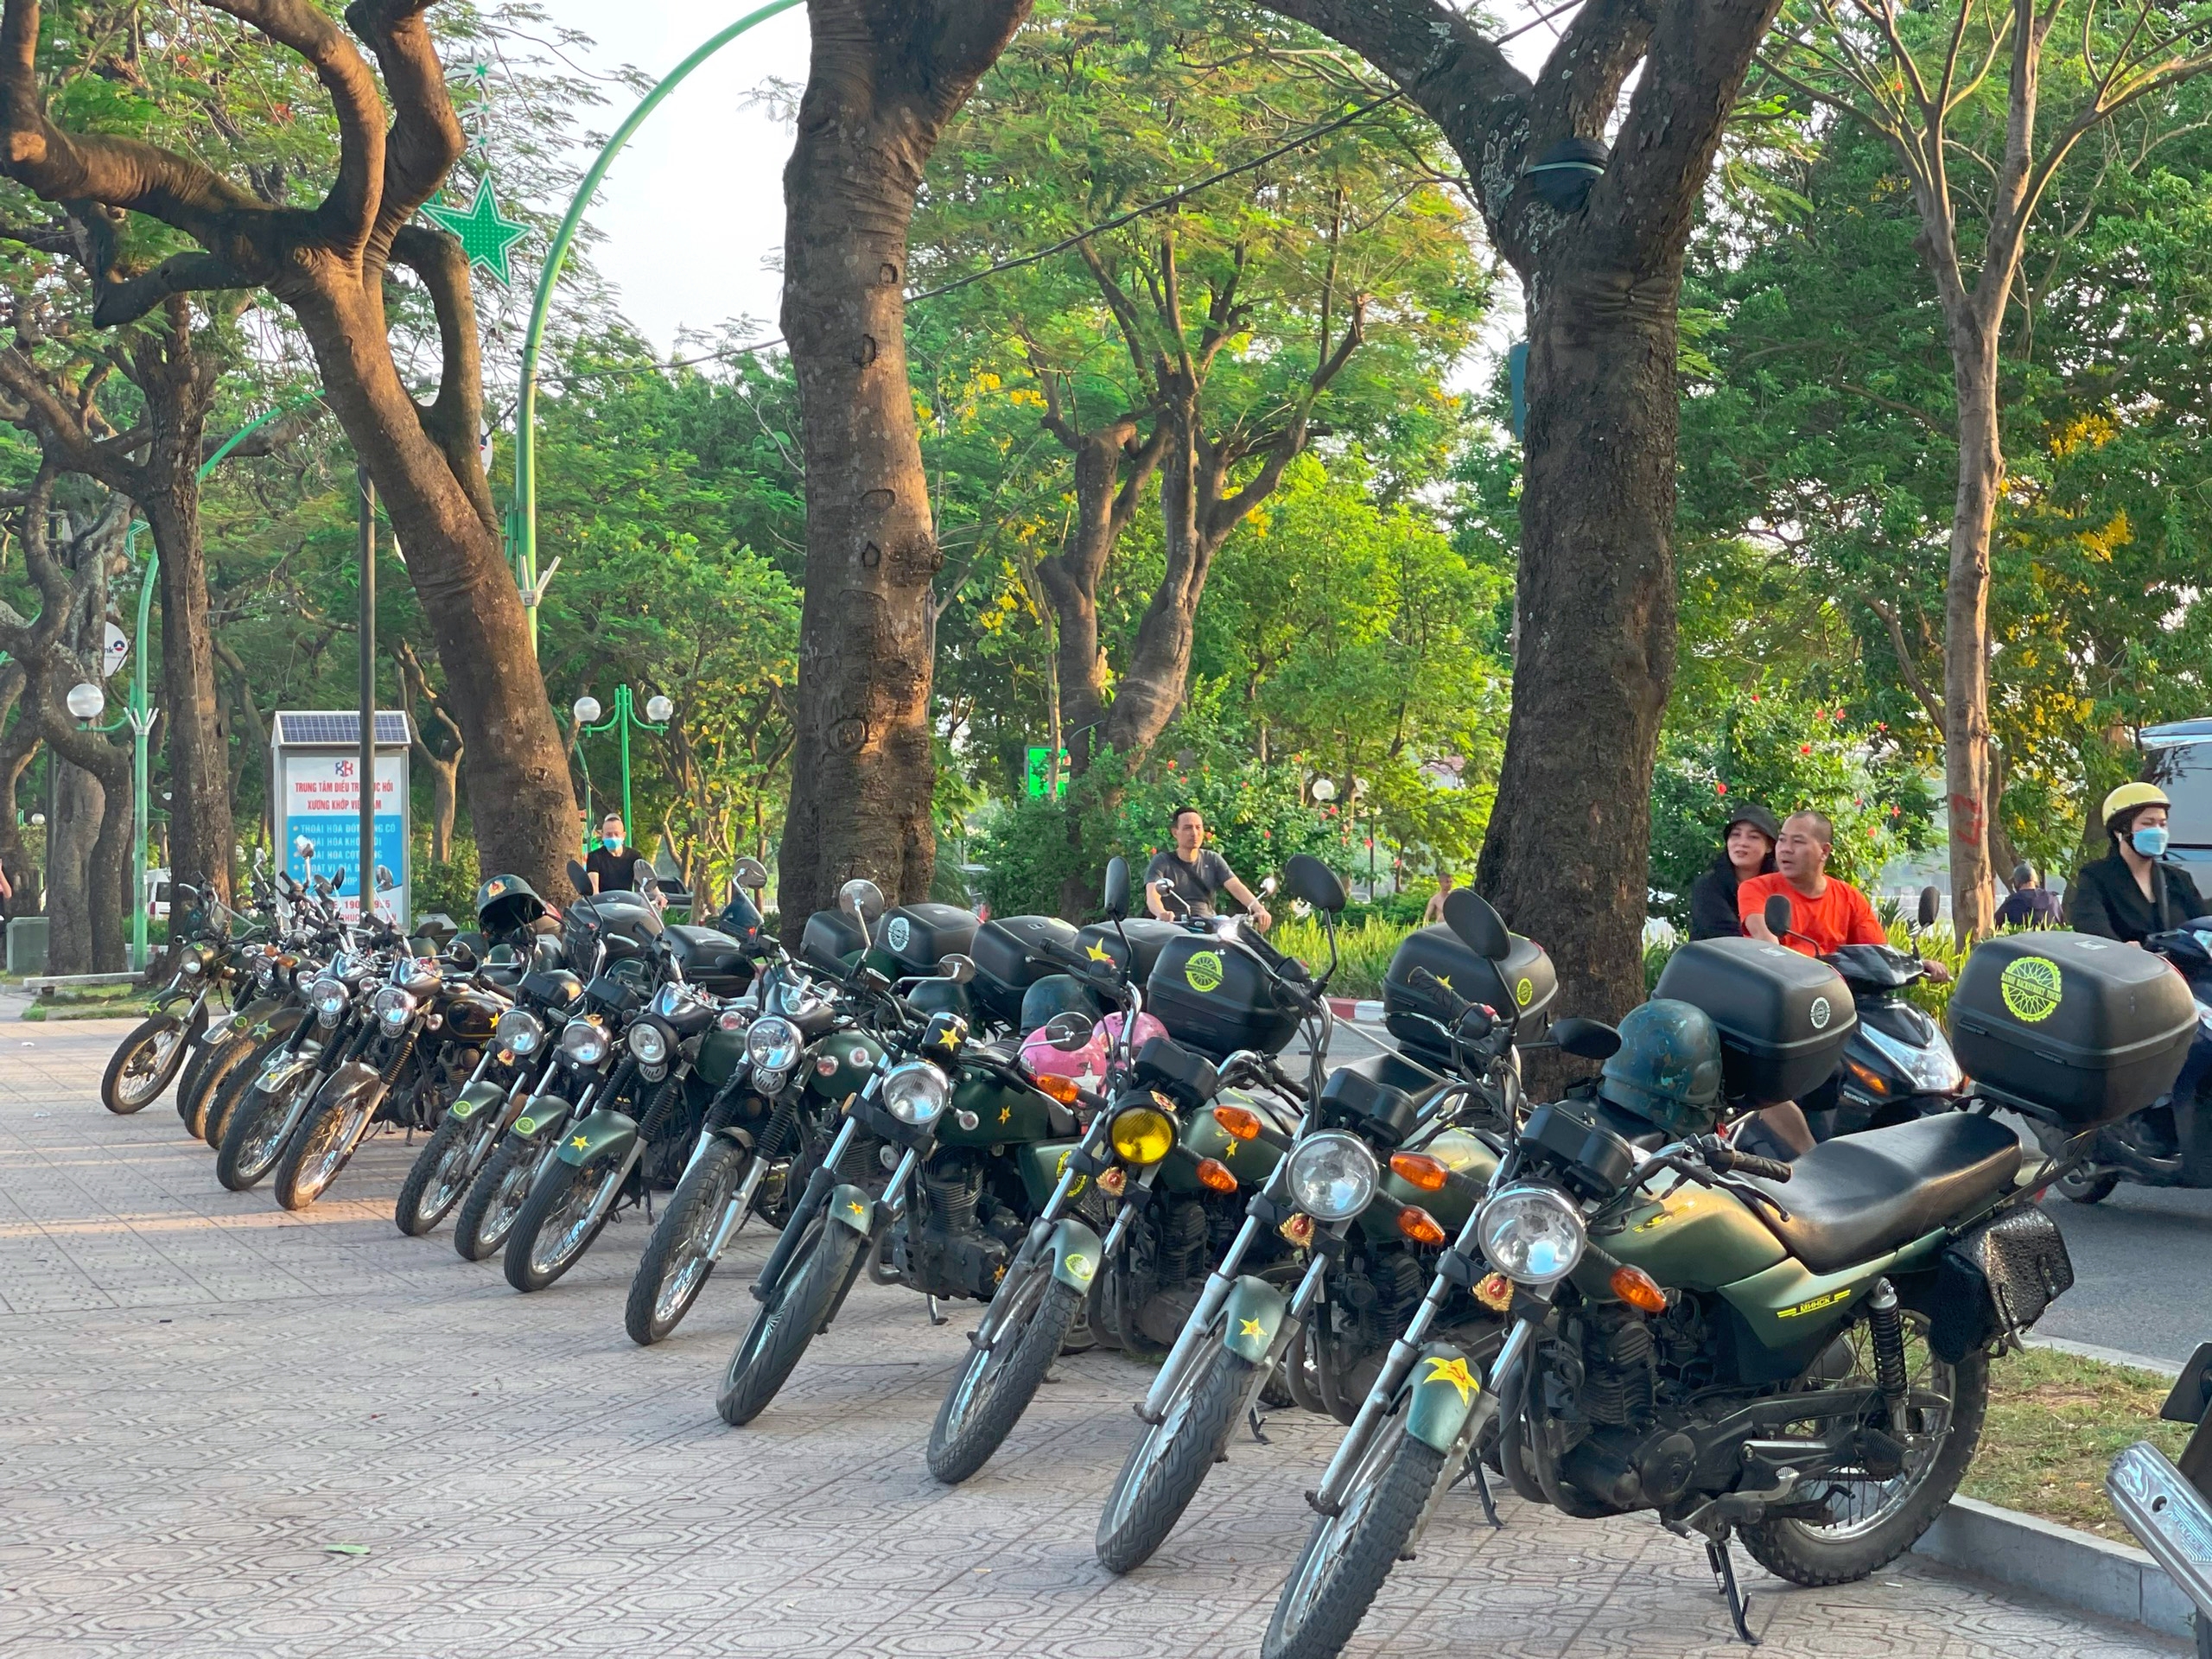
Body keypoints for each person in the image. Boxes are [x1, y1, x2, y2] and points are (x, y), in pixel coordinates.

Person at [1736, 810, 1943, 1156]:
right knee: (1774, 1077)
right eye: (1782, 840)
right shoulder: (1758, 889)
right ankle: (1808, 1159)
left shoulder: (1848, 897)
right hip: (1783, 1007)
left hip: (1841, 1005)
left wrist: (1918, 964)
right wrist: (1783, 952)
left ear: (1824, 851)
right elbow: (1765, 936)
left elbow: (1875, 951)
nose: (1784, 849)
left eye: (1797, 842)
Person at [2069, 783, 2206, 944]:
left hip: (2180, 968)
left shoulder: (2180, 879)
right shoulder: (2095, 877)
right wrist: (2123, 951)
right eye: (2147, 823)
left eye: (2162, 824)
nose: (2158, 831)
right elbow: (2091, 927)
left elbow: (2204, 928)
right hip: (2126, 967)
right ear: (2120, 830)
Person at [1144, 805, 1272, 928]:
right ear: (1175, 832)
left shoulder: (1213, 859)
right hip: (1176, 926)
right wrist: (1162, 913)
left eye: (1198, 827)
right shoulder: (1162, 861)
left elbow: (1236, 886)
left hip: (1210, 925)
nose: (1194, 833)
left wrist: (1259, 909)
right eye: (1188, 828)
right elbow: (1152, 895)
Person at [1688, 803, 1779, 940]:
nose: (1742, 843)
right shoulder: (1708, 886)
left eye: (1753, 837)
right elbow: (1727, 938)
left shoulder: (1780, 886)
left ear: (1769, 846)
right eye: (1735, 835)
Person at [583, 813, 640, 896]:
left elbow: (646, 879)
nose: (613, 837)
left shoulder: (634, 856)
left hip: (627, 904)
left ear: (623, 836)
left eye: (616, 834)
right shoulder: (594, 857)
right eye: (608, 834)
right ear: (602, 836)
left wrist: (658, 895)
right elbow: (594, 888)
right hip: (603, 905)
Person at [1995, 862, 2063, 929]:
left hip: (2022, 939)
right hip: (2051, 939)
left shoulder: (2012, 901)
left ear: (2017, 882)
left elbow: (1995, 924)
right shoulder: (2053, 899)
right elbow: (2062, 924)